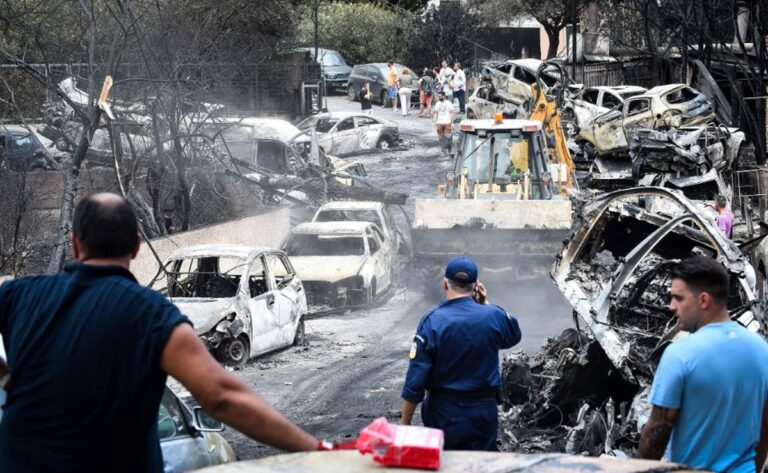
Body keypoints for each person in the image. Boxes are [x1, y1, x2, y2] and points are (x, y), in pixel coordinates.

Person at [0, 193, 323, 472]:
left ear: (74, 243)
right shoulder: (150, 314)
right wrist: (317, 449)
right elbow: (221, 397)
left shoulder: (19, 295)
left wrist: (5, 379)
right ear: (137, 246)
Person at [637, 256, 768, 472]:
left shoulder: (680, 354)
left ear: (703, 300)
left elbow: (657, 434)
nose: (671, 306)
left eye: (678, 298)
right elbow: (765, 428)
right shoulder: (762, 351)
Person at [400, 256, 521, 451]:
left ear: (445, 283)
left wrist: (405, 424)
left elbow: (416, 379)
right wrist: (486, 303)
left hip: (443, 413)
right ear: (476, 286)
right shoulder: (493, 316)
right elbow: (513, 337)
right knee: (481, 465)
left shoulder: (432, 320)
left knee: (444, 464)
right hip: (483, 412)